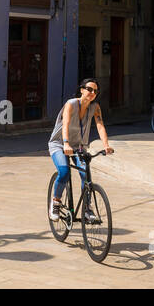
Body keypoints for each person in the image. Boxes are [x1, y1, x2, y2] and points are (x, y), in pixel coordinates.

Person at [48, 78, 113, 221]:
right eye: (89, 89)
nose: (92, 93)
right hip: (59, 144)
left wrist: (106, 145)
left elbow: (100, 125)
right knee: (64, 172)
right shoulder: (71, 104)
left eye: (95, 91)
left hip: (78, 146)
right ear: (82, 90)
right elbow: (65, 124)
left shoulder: (95, 107)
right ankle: (56, 202)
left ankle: (87, 209)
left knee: (86, 176)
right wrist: (65, 143)